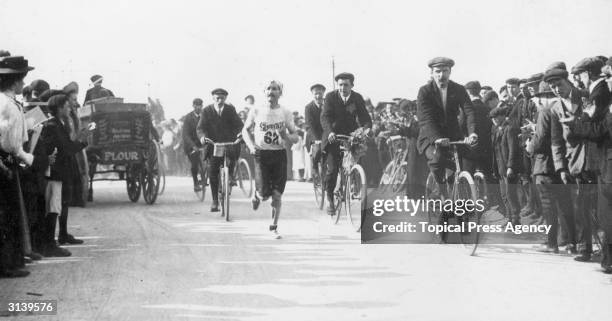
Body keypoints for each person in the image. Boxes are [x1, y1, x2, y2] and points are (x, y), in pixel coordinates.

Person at [525, 68, 577, 254]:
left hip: (544, 166)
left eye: (540, 96)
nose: (537, 100)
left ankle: (551, 243)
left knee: (548, 207)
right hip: (561, 165)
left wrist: (529, 145)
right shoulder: (561, 108)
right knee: (565, 205)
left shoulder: (546, 112)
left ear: (545, 96)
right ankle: (572, 243)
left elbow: (539, 141)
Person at [242, 80, 298, 238]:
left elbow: (296, 137)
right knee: (264, 195)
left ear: (280, 93)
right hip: (261, 154)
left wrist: (285, 135)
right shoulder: (256, 110)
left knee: (277, 195)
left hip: (279, 155)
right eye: (268, 89)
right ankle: (257, 195)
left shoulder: (286, 112)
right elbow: (245, 130)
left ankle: (273, 227)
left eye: (275, 89)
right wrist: (251, 146)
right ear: (264, 92)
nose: (271, 92)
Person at [416, 57, 477, 195]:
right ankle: (441, 191)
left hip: (453, 136)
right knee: (437, 160)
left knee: (470, 157)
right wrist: (436, 138)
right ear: (431, 73)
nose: (441, 75)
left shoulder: (459, 89)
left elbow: (469, 111)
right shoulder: (424, 91)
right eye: (437, 71)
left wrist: (472, 133)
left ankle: (465, 191)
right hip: (431, 137)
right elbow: (425, 118)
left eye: (445, 71)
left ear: (450, 72)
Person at [0, 53, 35, 278]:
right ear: (14, 81)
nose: (23, 83)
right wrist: (24, 156)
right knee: (6, 215)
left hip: (10, 160)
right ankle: (6, 264)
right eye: (22, 79)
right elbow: (7, 141)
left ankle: (12, 261)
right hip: (5, 162)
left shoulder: (10, 102)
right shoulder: (6, 105)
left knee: (11, 213)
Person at [320, 72, 372, 215]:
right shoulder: (331, 97)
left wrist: (365, 130)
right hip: (332, 137)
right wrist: (330, 132)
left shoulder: (357, 98)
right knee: (332, 169)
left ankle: (354, 185)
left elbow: (365, 118)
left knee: (358, 160)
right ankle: (330, 199)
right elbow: (325, 117)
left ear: (352, 85)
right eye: (340, 84)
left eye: (346, 85)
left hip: (350, 136)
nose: (343, 87)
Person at [197, 89, 243, 212]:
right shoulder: (206, 111)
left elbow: (239, 124)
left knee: (233, 157)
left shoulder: (230, 110)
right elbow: (200, 127)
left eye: (222, 98)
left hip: (228, 143)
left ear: (225, 99)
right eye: (217, 98)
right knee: (213, 172)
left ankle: (231, 176)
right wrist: (202, 137)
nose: (219, 100)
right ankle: (215, 201)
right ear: (213, 98)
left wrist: (239, 133)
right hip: (213, 144)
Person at [489, 103, 521, 225]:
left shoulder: (510, 128)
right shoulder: (496, 130)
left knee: (510, 194)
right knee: (504, 195)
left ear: (503, 116)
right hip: (500, 167)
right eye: (493, 118)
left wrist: (510, 166)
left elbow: (513, 149)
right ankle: (509, 218)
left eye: (496, 117)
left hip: (507, 167)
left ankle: (515, 220)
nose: (494, 120)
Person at [182, 98, 204, 191]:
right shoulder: (188, 118)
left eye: (200, 105)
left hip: (202, 143)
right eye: (196, 105)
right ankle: (196, 183)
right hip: (191, 145)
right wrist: (193, 146)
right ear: (193, 106)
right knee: (195, 163)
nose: (198, 107)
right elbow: (185, 135)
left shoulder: (204, 116)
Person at [304, 83, 325, 181]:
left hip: (326, 134)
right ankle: (315, 167)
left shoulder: (327, 105)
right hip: (313, 135)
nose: (318, 96)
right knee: (318, 149)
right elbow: (310, 125)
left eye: (320, 93)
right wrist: (317, 139)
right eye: (316, 94)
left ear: (323, 93)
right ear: (312, 94)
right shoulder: (309, 107)